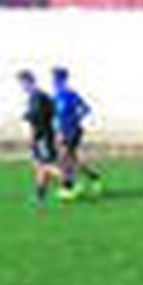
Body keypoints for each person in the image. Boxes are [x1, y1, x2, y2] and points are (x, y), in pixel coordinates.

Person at [51, 66, 102, 200]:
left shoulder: (70, 94)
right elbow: (55, 116)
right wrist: (56, 130)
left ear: (64, 79)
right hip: (62, 132)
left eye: (58, 78)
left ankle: (70, 187)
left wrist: (75, 120)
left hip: (73, 131)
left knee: (63, 158)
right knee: (72, 160)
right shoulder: (55, 96)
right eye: (54, 78)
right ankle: (94, 176)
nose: (55, 81)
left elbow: (86, 109)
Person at [17, 70, 62, 206]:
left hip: (43, 137)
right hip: (43, 136)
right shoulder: (38, 97)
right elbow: (51, 113)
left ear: (30, 81)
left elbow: (38, 118)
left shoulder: (37, 97)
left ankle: (69, 183)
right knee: (40, 167)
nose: (22, 87)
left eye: (23, 83)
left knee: (46, 165)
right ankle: (40, 197)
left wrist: (33, 135)